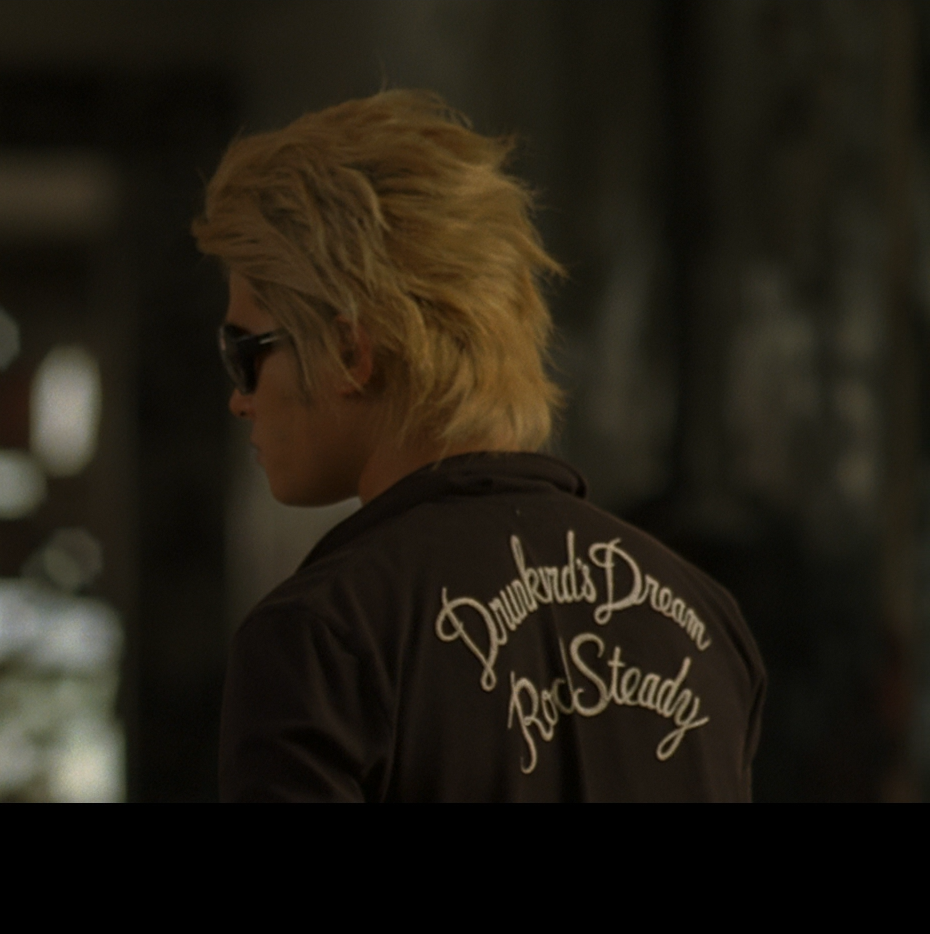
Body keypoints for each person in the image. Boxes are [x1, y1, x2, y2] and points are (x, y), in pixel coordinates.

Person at [195, 90, 765, 801]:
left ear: (348, 353)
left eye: (244, 351)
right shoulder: (704, 623)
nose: (238, 398)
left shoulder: (323, 639)